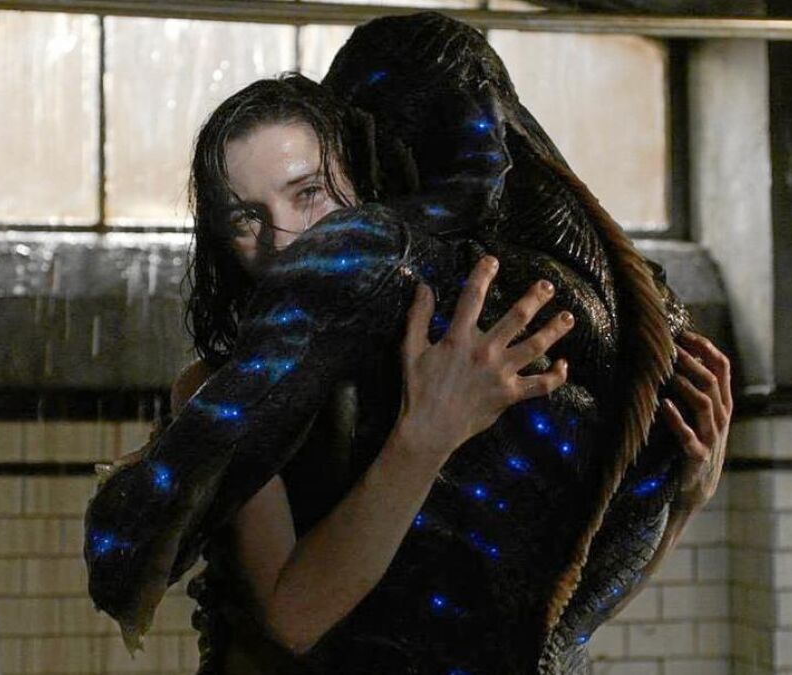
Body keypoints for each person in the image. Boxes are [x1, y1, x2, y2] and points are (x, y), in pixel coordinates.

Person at [86, 12, 730, 674]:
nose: (284, 238)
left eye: (308, 193)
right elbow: (292, 621)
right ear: (220, 241)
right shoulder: (219, 388)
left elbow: (549, 620)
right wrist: (425, 437)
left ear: (363, 175)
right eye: (245, 217)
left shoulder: (464, 354)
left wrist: (682, 500)